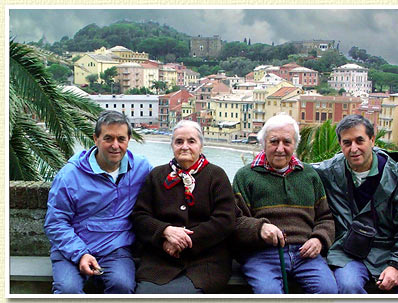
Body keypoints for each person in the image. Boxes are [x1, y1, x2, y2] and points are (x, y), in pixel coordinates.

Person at [313, 114, 398, 294]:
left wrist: (396, 265)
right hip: (348, 250)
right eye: (347, 142)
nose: (354, 148)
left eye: (359, 140)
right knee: (348, 285)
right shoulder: (330, 172)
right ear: (340, 145)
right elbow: (298, 168)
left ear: (372, 140)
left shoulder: (397, 176)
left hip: (390, 249)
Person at [43, 110, 153, 294]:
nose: (115, 146)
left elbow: (167, 185)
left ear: (129, 140)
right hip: (72, 249)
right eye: (108, 138)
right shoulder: (70, 176)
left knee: (123, 286)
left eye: (121, 139)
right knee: (68, 291)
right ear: (95, 138)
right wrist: (80, 254)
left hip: (116, 249)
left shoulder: (141, 168)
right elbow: (55, 222)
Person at [232, 114, 338, 294]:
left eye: (287, 142)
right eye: (274, 142)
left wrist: (318, 239)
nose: (280, 148)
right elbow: (235, 220)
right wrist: (260, 228)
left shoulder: (309, 175)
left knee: (328, 291)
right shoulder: (245, 176)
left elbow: (326, 217)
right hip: (262, 254)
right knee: (269, 294)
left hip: (306, 253)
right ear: (263, 143)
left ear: (294, 145)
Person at [131, 120, 236, 294]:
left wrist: (183, 242)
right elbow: (140, 216)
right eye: (179, 142)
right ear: (172, 145)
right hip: (160, 261)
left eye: (191, 141)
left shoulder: (216, 176)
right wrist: (165, 232)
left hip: (206, 262)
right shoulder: (157, 176)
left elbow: (225, 221)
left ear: (201, 145)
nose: (185, 146)